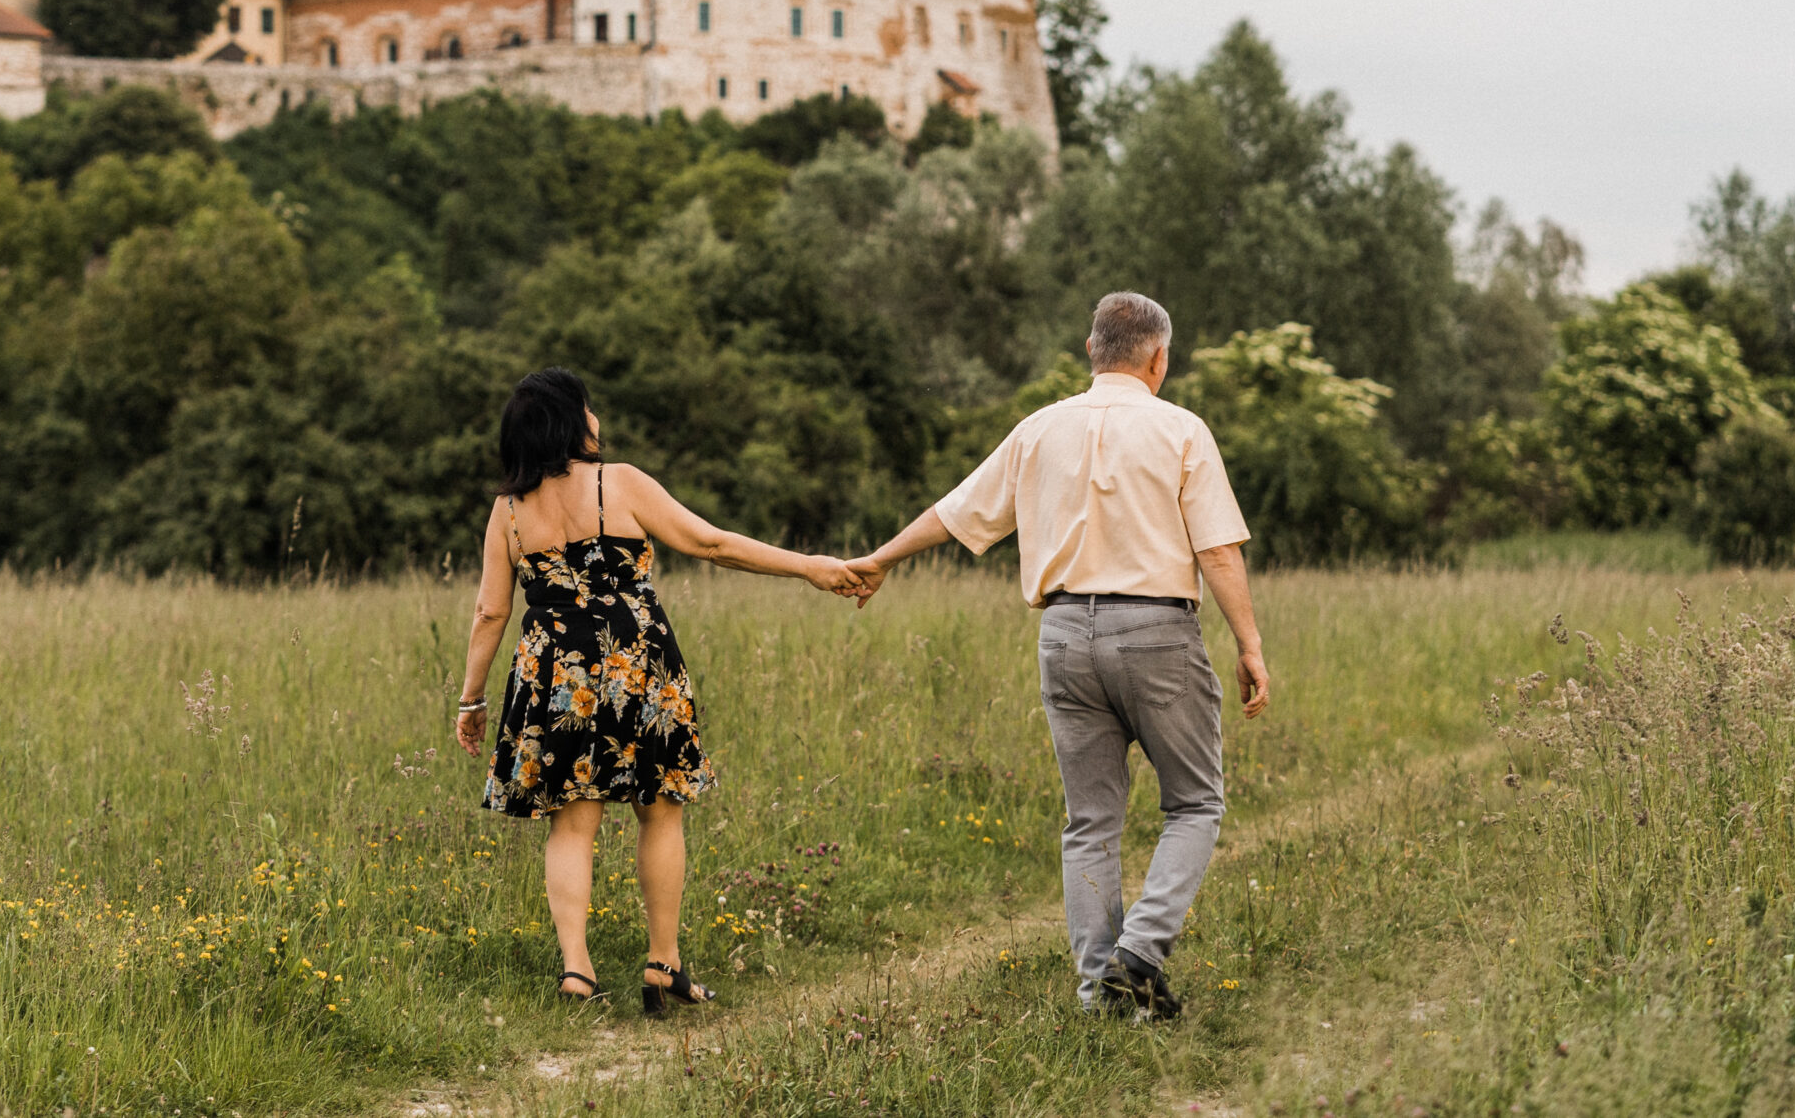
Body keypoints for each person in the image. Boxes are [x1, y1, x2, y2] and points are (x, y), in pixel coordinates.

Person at [843, 292, 1270, 1020]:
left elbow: (955, 511)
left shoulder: (1039, 429)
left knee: (1091, 819)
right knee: (1196, 801)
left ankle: (1098, 993)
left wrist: (879, 557)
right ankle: (1138, 952)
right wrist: (1250, 643)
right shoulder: (1181, 430)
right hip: (1157, 631)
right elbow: (1218, 549)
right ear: (1158, 358)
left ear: (1091, 348)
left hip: (1065, 634)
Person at [454, 368, 866, 1014]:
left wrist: (471, 698)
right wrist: (809, 565)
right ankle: (662, 961)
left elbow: (489, 610)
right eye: (589, 408)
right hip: (634, 656)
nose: (597, 418)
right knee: (660, 806)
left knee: (572, 820)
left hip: (554, 667)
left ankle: (577, 970)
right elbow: (710, 541)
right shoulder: (618, 480)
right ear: (574, 419)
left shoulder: (507, 509)